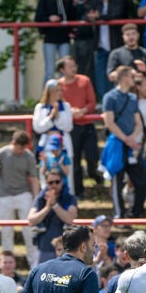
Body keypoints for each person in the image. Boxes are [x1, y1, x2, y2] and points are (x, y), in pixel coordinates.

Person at [0, 130, 38, 258]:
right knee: (6, 231)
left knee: (29, 230)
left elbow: (34, 178)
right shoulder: (2, 153)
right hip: (5, 195)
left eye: (24, 148)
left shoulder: (29, 156)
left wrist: (36, 198)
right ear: (13, 143)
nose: (22, 151)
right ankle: (7, 262)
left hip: (23, 194)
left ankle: (33, 262)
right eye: (20, 147)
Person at [102, 66, 144, 218]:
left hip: (130, 144)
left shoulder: (133, 98)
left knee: (140, 179)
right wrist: (126, 139)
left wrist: (132, 137)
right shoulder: (110, 97)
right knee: (117, 182)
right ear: (124, 77)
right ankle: (119, 214)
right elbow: (109, 122)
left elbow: (138, 121)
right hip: (117, 144)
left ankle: (135, 213)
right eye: (132, 76)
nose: (134, 79)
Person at [57, 56, 99, 196]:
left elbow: (92, 102)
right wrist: (71, 112)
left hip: (87, 124)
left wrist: (83, 111)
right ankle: (79, 191)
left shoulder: (84, 81)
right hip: (71, 127)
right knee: (74, 160)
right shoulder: (59, 85)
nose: (74, 69)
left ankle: (96, 176)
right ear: (62, 69)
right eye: (70, 66)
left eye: (74, 65)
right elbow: (58, 104)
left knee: (92, 156)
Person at [88, 0, 127, 100]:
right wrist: (90, 16)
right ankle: (103, 99)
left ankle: (115, 99)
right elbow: (87, 14)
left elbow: (116, 14)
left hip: (115, 43)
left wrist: (99, 17)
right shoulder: (96, 1)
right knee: (100, 74)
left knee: (115, 73)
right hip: (100, 44)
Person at [28, 170, 77, 264]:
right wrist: (47, 207)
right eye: (51, 182)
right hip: (44, 247)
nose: (54, 185)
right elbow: (31, 220)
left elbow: (70, 219)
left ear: (62, 181)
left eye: (57, 182)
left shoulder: (70, 198)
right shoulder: (40, 199)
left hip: (65, 249)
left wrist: (55, 205)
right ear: (46, 183)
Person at [33, 79, 75, 191]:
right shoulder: (40, 107)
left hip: (63, 143)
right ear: (49, 91)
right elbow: (38, 127)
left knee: (67, 173)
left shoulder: (65, 106)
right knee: (46, 171)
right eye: (57, 90)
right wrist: (51, 117)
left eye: (61, 90)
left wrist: (58, 116)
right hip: (47, 143)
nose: (60, 93)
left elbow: (68, 126)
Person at [35, 0, 74, 87]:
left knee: (66, 69)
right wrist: (49, 19)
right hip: (50, 39)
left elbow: (72, 16)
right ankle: (46, 98)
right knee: (50, 71)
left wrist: (71, 30)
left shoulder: (68, 0)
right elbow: (38, 18)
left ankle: (65, 95)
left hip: (64, 39)